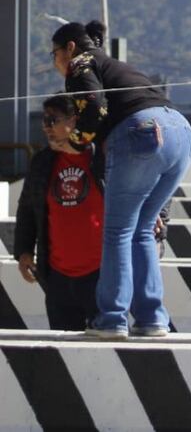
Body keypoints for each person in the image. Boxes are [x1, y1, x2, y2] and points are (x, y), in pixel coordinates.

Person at [51, 20, 191, 339]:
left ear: (69, 47)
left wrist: (75, 141)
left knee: (117, 231)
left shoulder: (80, 63)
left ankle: (111, 318)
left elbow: (94, 106)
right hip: (180, 132)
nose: (56, 62)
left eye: (54, 54)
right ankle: (152, 318)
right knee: (142, 229)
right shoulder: (117, 66)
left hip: (139, 132)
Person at [14, 95, 104, 330]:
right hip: (57, 277)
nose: (46, 127)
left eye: (51, 120)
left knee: (106, 346)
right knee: (63, 346)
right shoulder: (42, 161)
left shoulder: (102, 158)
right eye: (43, 121)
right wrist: (23, 251)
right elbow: (27, 208)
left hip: (103, 275)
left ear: (74, 121)